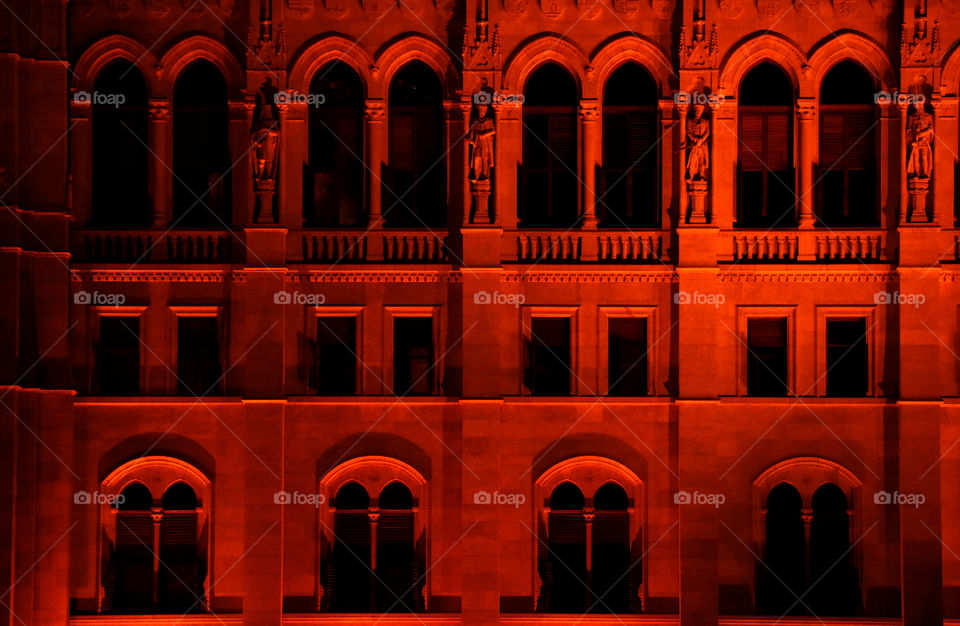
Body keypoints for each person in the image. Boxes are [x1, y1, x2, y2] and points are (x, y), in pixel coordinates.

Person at [467, 102, 496, 182]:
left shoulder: (489, 121)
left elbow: (494, 131)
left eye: (483, 111)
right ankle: (476, 175)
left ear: (485, 112)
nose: (481, 113)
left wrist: (485, 134)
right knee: (476, 159)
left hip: (486, 144)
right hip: (477, 144)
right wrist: (471, 141)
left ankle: (485, 175)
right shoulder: (475, 122)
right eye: (480, 111)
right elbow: (470, 134)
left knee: (485, 160)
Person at [685, 103, 710, 181]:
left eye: (699, 111)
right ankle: (691, 174)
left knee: (702, 160)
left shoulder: (705, 122)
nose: (697, 113)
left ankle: (701, 174)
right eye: (696, 111)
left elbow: (707, 132)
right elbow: (689, 132)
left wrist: (701, 140)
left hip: (703, 144)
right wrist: (695, 140)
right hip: (694, 144)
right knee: (693, 159)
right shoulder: (690, 121)